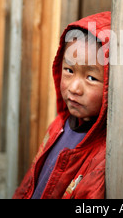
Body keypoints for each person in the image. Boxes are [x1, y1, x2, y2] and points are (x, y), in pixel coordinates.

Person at [13, 11, 111, 199]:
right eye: (69, 70)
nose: (74, 88)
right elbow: (29, 184)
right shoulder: (59, 125)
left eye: (91, 78)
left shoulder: (102, 159)